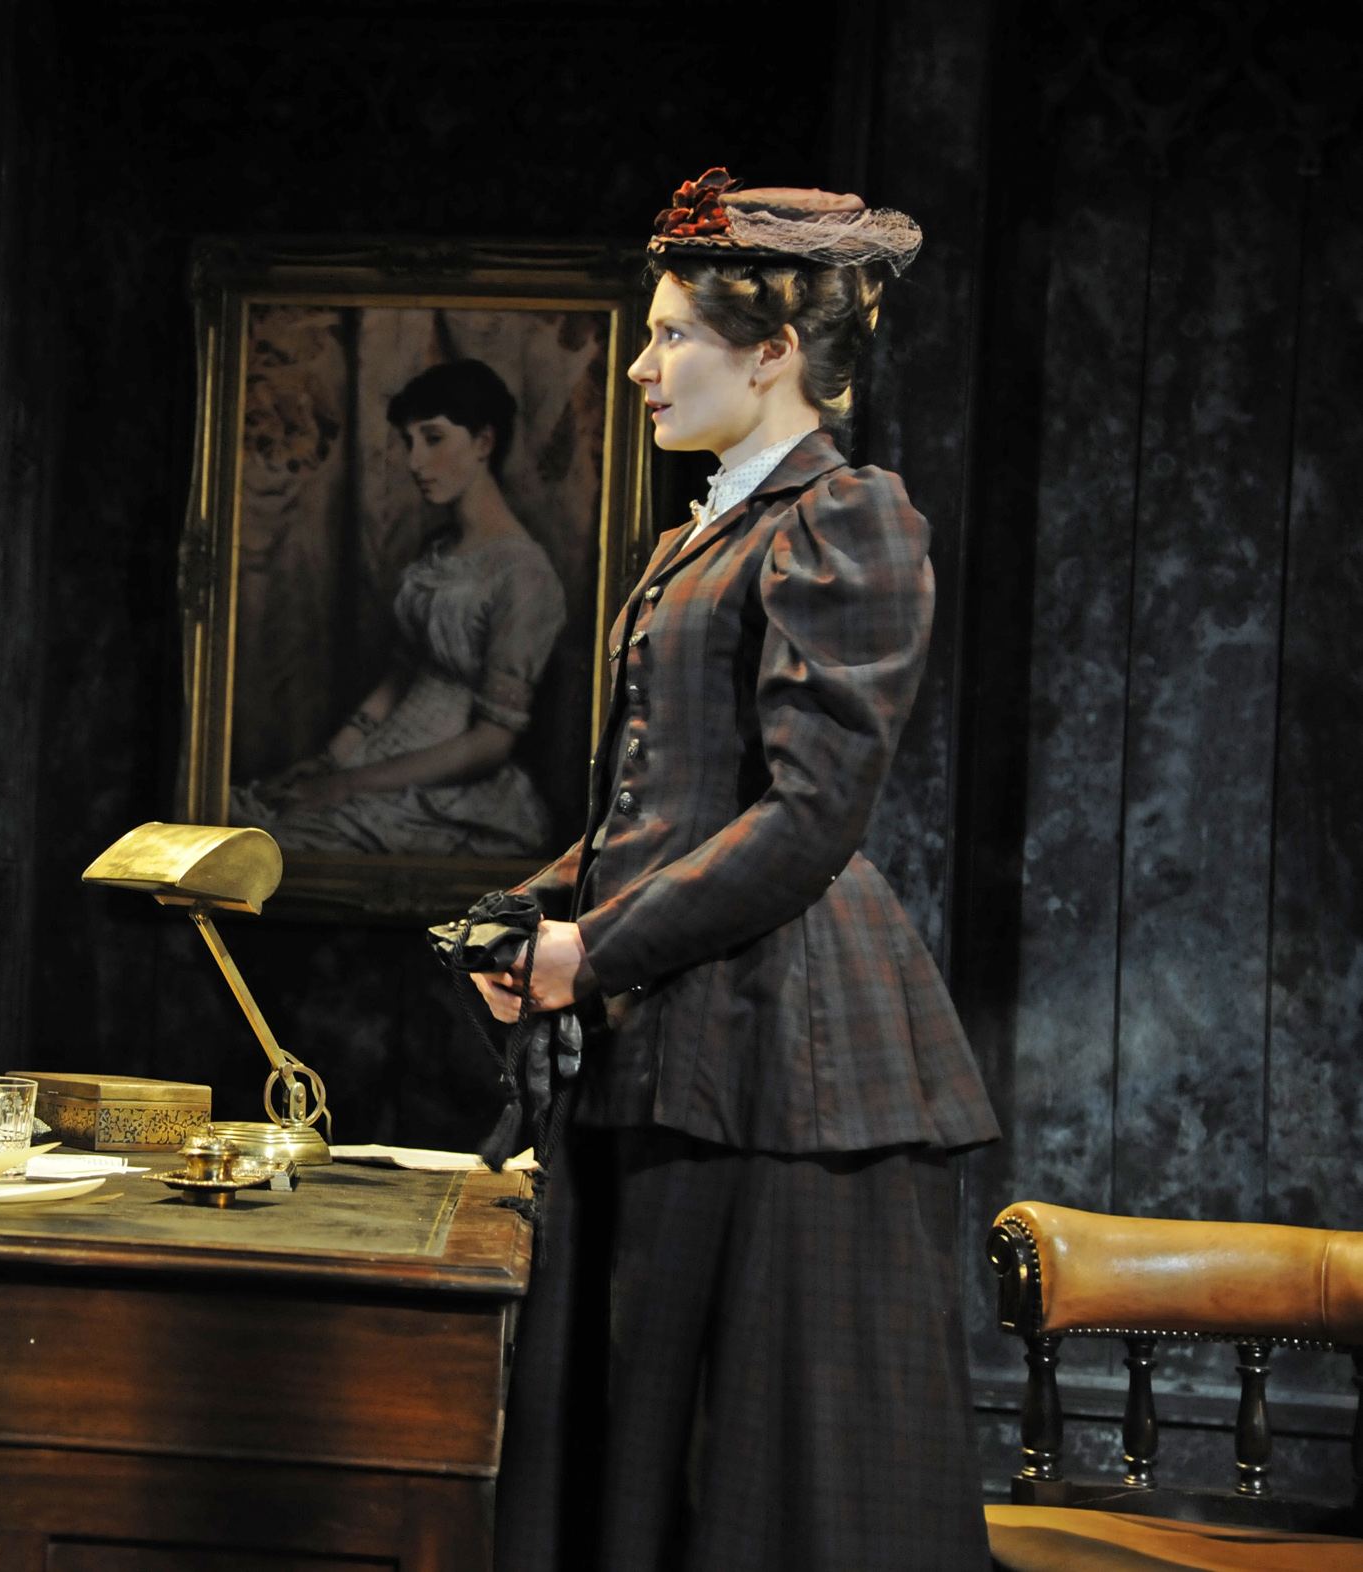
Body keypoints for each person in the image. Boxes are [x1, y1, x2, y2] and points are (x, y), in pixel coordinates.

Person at [477, 169, 998, 1569]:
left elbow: (809, 814)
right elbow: (675, 792)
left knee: (757, 1469)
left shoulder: (844, 518)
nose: (640, 367)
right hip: (677, 1025)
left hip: (782, 1053)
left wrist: (592, 950)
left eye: (668, 336)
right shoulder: (708, 526)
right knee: (637, 1435)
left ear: (771, 353)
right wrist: (535, 906)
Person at [231, 359, 567, 857]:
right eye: (409, 442)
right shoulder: (438, 551)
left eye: (432, 439)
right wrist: (330, 762)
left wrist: (347, 785)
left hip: (448, 789)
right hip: (374, 762)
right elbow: (400, 678)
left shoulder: (525, 576)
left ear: (483, 443)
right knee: (242, 820)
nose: (413, 461)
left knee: (277, 850)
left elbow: (491, 741)